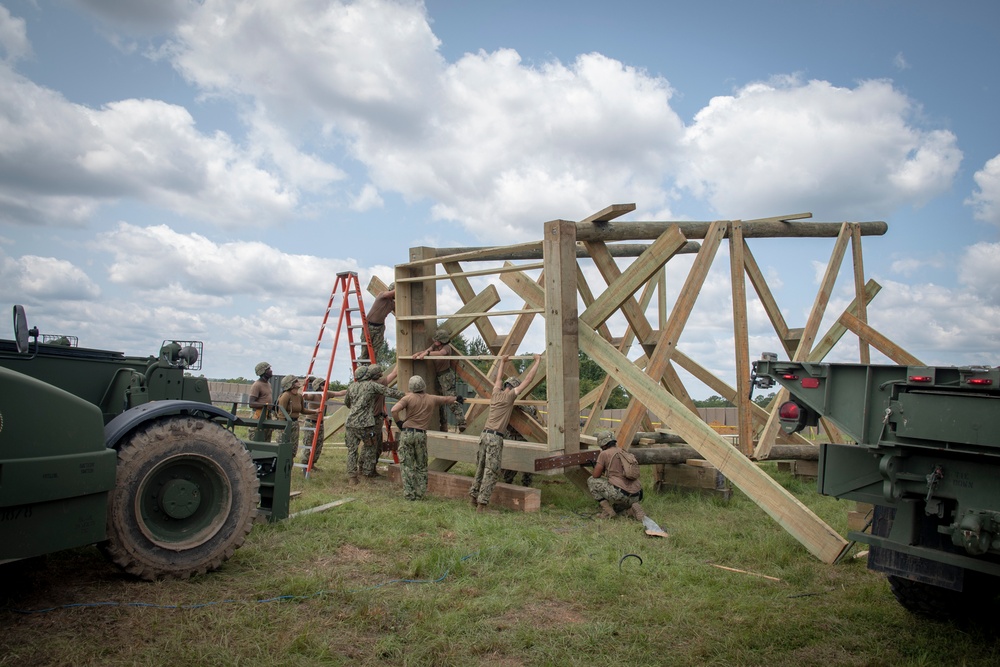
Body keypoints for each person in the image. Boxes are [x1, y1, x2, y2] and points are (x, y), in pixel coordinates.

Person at [469, 353, 542, 512]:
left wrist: (502, 361)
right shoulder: (510, 397)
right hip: (495, 437)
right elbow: (528, 380)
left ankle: (473, 498)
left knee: (481, 467)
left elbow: (498, 378)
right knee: (492, 471)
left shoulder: (496, 393)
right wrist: (537, 361)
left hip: (484, 435)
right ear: (514, 387)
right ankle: (483, 506)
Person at [391, 375, 465, 500]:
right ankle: (420, 494)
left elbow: (393, 410)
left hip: (407, 433)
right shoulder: (432, 398)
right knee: (421, 465)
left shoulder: (407, 398)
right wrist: (457, 398)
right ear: (423, 386)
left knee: (407, 465)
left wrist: (399, 423)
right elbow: (446, 399)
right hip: (420, 434)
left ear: (411, 387)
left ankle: (409, 494)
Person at [344, 365, 404, 486]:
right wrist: (409, 395)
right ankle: (367, 475)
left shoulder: (351, 387)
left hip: (350, 423)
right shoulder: (371, 386)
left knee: (352, 451)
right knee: (370, 448)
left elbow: (347, 403)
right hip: (366, 424)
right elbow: (391, 392)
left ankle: (352, 478)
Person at [413, 328, 467, 431]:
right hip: (438, 376)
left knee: (451, 399)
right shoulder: (435, 346)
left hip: (446, 376)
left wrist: (427, 354)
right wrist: (419, 353)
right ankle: (443, 424)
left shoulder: (446, 347)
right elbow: (427, 351)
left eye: (437, 340)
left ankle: (461, 422)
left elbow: (441, 353)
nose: (434, 341)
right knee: (440, 401)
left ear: (442, 340)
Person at [588, 430, 645, 521]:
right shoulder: (623, 451)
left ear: (602, 444)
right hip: (636, 495)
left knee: (591, 480)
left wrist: (597, 468)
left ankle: (607, 511)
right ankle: (631, 510)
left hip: (620, 494)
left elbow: (596, 475)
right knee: (617, 509)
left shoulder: (604, 454)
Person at [301, 377, 346, 470]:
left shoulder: (326, 394)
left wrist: (352, 388)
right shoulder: (313, 395)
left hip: (320, 423)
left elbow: (340, 393)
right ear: (318, 386)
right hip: (311, 422)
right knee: (309, 444)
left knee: (318, 444)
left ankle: (312, 464)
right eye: (323, 384)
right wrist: (304, 385)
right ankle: (305, 465)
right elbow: (305, 396)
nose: (325, 386)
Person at [362, 364, 399, 478]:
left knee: (370, 445)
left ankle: (364, 468)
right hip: (374, 420)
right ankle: (368, 471)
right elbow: (394, 373)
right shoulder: (379, 383)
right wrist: (399, 359)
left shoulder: (365, 385)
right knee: (374, 447)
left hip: (368, 418)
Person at [276, 375, 317, 456]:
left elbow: (302, 410)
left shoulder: (299, 396)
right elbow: (281, 413)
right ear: (290, 384)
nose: (298, 382)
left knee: (293, 449)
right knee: (282, 448)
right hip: (286, 424)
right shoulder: (285, 396)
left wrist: (315, 411)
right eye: (296, 381)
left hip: (295, 424)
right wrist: (284, 428)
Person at [501, 404, 539, 487]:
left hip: (524, 440)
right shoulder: (512, 412)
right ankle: (509, 480)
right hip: (516, 440)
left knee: (524, 463)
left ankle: (521, 482)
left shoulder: (528, 414)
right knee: (515, 463)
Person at [362, 283, 394, 361]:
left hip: (379, 328)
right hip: (369, 326)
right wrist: (400, 288)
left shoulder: (393, 304)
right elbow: (388, 294)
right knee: (365, 352)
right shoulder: (382, 295)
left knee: (374, 352)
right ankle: (362, 369)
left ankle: (371, 368)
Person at [248, 361, 275, 442]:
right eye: (268, 369)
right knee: (256, 440)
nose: (271, 370)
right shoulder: (257, 385)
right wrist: (266, 405)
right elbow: (251, 403)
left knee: (266, 440)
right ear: (263, 371)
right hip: (258, 415)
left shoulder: (268, 384)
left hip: (267, 415)